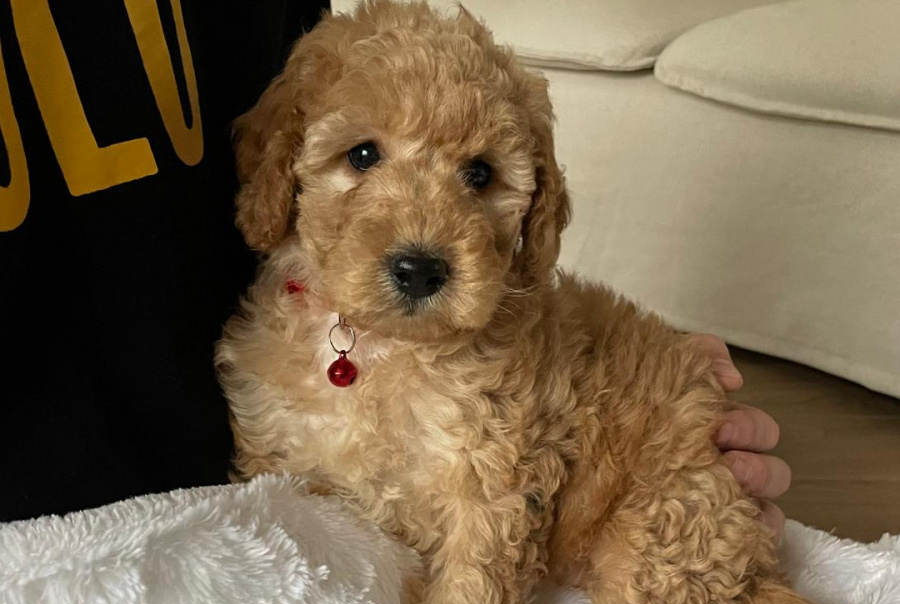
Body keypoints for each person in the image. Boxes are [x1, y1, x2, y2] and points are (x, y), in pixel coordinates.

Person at [0, 1, 788, 537]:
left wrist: (630, 414)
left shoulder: (314, 56)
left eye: (478, 176)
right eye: (366, 156)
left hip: (242, 505)